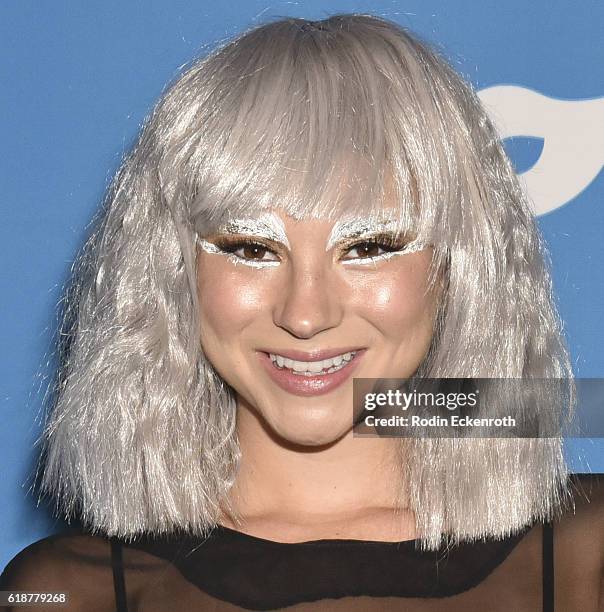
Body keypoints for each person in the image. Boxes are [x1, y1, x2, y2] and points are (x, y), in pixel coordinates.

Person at [1, 14, 602, 611]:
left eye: (368, 247)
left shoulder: (588, 552)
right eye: (251, 248)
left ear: (457, 266)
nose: (306, 314)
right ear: (171, 269)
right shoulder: (64, 593)